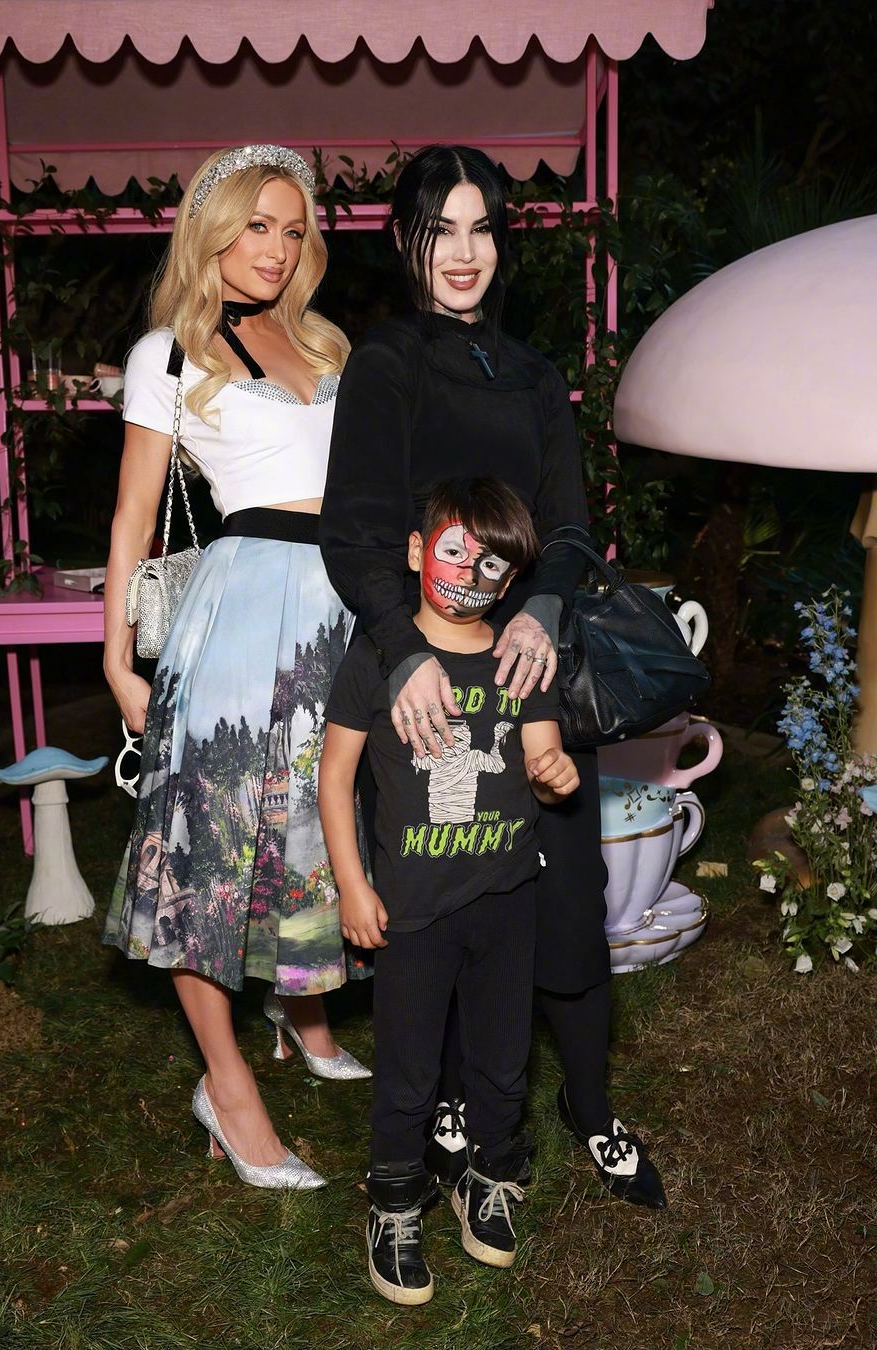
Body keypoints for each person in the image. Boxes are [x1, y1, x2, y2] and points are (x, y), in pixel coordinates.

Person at [320, 144, 666, 1211]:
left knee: (564, 903)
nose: (463, 253)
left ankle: (590, 1108)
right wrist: (404, 649)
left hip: (532, 673)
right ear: (405, 239)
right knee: (443, 897)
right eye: (442, 230)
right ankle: (454, 1105)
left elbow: (568, 525)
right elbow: (355, 531)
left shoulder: (532, 375)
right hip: (428, 675)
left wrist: (548, 608)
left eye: (481, 228)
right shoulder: (386, 364)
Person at [103, 145, 370, 1194]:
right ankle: (229, 1087)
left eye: (294, 230)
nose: (278, 247)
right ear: (212, 228)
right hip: (242, 614)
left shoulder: (323, 342)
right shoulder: (167, 354)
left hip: (341, 606)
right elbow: (133, 516)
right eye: (258, 224)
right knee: (208, 849)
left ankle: (302, 1009)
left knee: (312, 825)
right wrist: (117, 660)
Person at [320, 477, 581, 1303]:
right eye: (456, 551)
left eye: (492, 564)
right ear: (415, 551)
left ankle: (491, 1178)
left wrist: (555, 773)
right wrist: (352, 885)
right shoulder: (377, 658)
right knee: (408, 1071)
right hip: (413, 910)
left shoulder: (519, 659)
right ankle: (395, 1203)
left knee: (502, 1063)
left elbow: (541, 760)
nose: (471, 574)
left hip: (507, 898)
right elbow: (334, 779)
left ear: (511, 579)